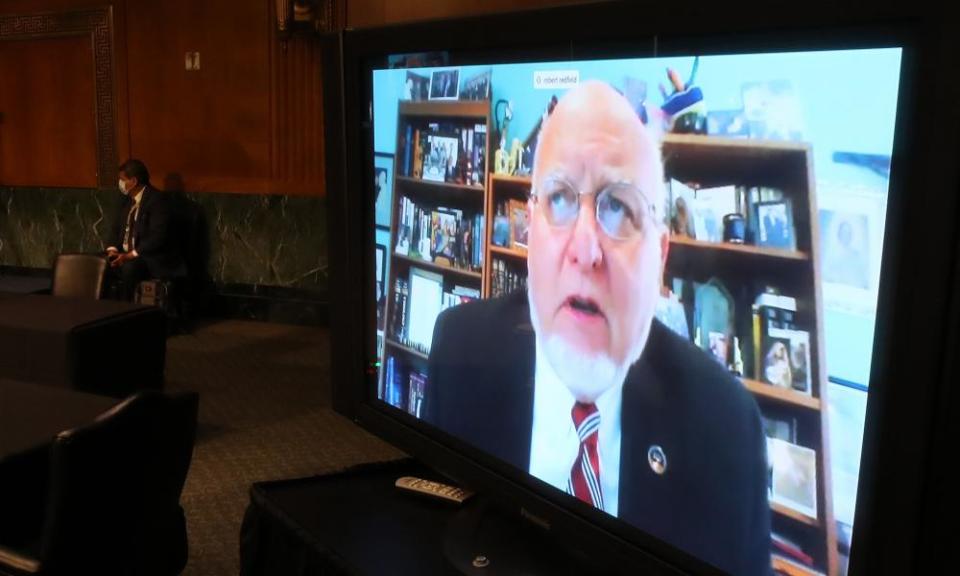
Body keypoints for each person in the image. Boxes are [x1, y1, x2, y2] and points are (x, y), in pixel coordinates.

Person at [424, 81, 770, 575]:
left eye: (620, 208)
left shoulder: (728, 430)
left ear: (660, 259)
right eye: (560, 198)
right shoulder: (459, 350)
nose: (585, 250)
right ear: (529, 230)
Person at [105, 159, 183, 300]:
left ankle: (126, 309)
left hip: (147, 257)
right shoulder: (125, 200)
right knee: (98, 263)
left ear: (133, 181)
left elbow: (157, 237)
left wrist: (130, 255)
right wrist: (112, 251)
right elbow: (115, 229)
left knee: (129, 269)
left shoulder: (157, 200)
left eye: (122, 179)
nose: (120, 183)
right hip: (123, 253)